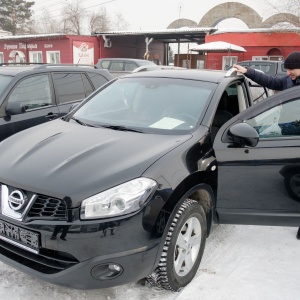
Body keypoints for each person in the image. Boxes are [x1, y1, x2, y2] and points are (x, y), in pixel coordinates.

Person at [234, 51, 300, 240]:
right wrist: (248, 71)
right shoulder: (289, 81)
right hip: (289, 132)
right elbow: (271, 81)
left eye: (292, 69)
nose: (288, 73)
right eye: (287, 69)